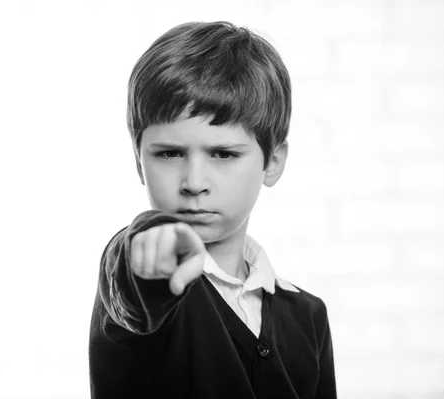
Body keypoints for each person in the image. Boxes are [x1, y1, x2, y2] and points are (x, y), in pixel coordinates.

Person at [89, 21, 336, 399]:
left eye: (223, 154)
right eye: (169, 153)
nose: (193, 181)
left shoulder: (308, 316)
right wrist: (152, 248)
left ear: (272, 162)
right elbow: (131, 275)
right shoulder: (144, 278)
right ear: (139, 161)